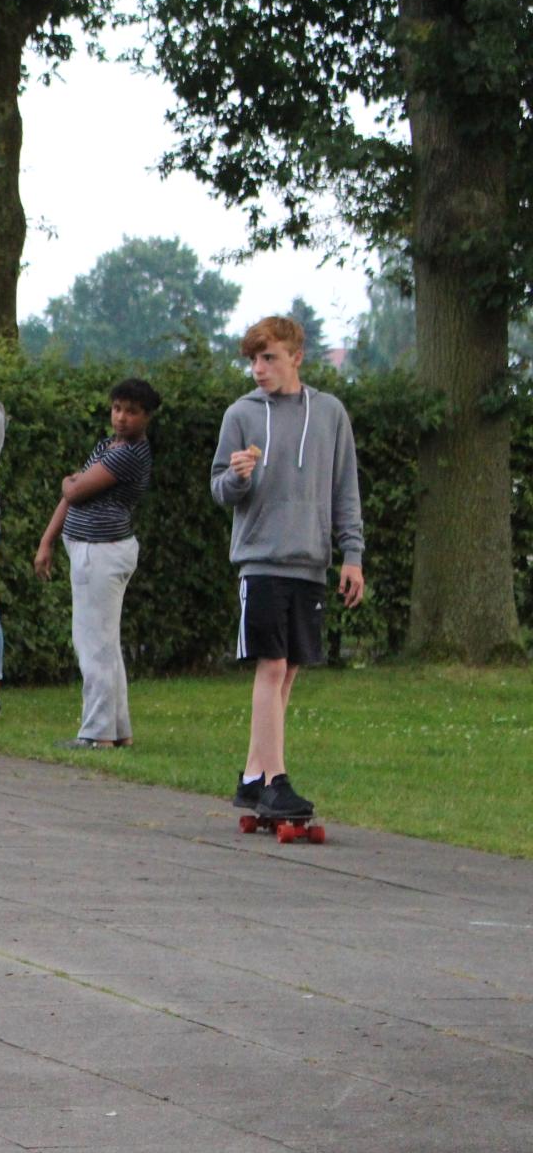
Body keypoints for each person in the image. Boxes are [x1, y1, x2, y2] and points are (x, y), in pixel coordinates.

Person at [211, 316, 364, 820]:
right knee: (271, 665)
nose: (258, 369)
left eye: (269, 358)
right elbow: (219, 489)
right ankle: (276, 781)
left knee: (289, 670)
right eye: (253, 360)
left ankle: (253, 777)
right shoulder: (241, 414)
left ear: (296, 357)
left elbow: (345, 488)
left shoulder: (330, 413)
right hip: (260, 560)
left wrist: (352, 555)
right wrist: (237, 478)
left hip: (310, 562)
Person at [34, 378, 160, 749]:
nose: (121, 417)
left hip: (102, 551)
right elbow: (72, 496)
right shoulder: (108, 445)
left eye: (131, 412)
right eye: (117, 409)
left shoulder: (129, 454)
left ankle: (96, 733)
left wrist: (68, 480)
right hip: (92, 550)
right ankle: (118, 731)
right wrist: (47, 540)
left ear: (147, 416)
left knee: (93, 645)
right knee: (104, 643)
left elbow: (74, 490)